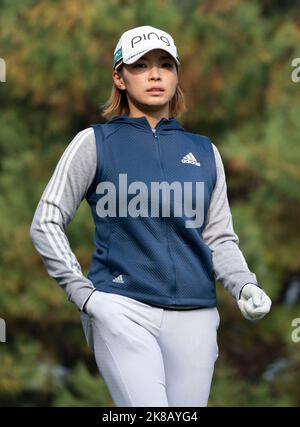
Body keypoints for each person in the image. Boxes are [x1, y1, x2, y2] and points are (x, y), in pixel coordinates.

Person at [29, 25, 272, 407]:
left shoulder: (205, 152)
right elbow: (46, 220)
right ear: (119, 77)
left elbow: (220, 238)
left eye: (165, 65)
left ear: (177, 75)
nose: (155, 74)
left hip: (196, 315)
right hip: (121, 306)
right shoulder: (94, 142)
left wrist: (243, 285)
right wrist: (86, 297)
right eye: (141, 65)